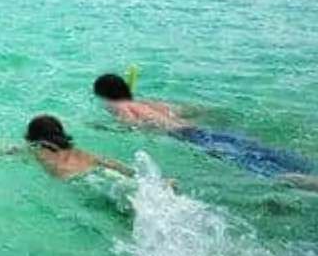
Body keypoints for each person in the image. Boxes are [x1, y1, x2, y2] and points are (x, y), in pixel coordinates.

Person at [92, 73, 318, 190]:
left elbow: (133, 126)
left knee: (256, 167)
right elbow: (187, 110)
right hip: (205, 130)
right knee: (262, 152)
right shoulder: (150, 103)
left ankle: (304, 182)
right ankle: (305, 169)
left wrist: (103, 127)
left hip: (191, 137)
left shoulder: (121, 107)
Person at [0, 114, 136, 181]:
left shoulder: (35, 148)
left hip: (72, 179)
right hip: (97, 172)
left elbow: (2, 152)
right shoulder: (77, 151)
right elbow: (109, 162)